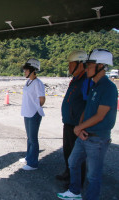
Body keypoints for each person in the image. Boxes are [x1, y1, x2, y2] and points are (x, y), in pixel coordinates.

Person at [57, 49, 118, 200]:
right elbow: (87, 109)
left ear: (101, 66)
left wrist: (79, 127)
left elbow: (100, 115)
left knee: (93, 175)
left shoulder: (109, 87)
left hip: (97, 138)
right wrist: (80, 127)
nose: (87, 67)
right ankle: (74, 191)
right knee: (73, 161)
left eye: (90, 65)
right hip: (84, 133)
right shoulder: (94, 85)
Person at [56, 50, 92, 188]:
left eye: (71, 64)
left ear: (80, 64)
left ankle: (76, 181)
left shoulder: (86, 81)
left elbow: (88, 105)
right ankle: (68, 172)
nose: (69, 67)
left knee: (77, 156)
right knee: (67, 151)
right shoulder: (76, 80)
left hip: (77, 125)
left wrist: (82, 125)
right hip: (69, 123)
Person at [19, 58, 45, 170]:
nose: (24, 71)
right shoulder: (28, 81)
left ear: (33, 70)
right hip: (27, 113)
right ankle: (28, 157)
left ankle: (33, 163)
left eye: (26, 69)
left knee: (33, 139)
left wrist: (35, 107)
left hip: (34, 114)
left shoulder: (38, 83)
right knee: (29, 138)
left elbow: (42, 99)